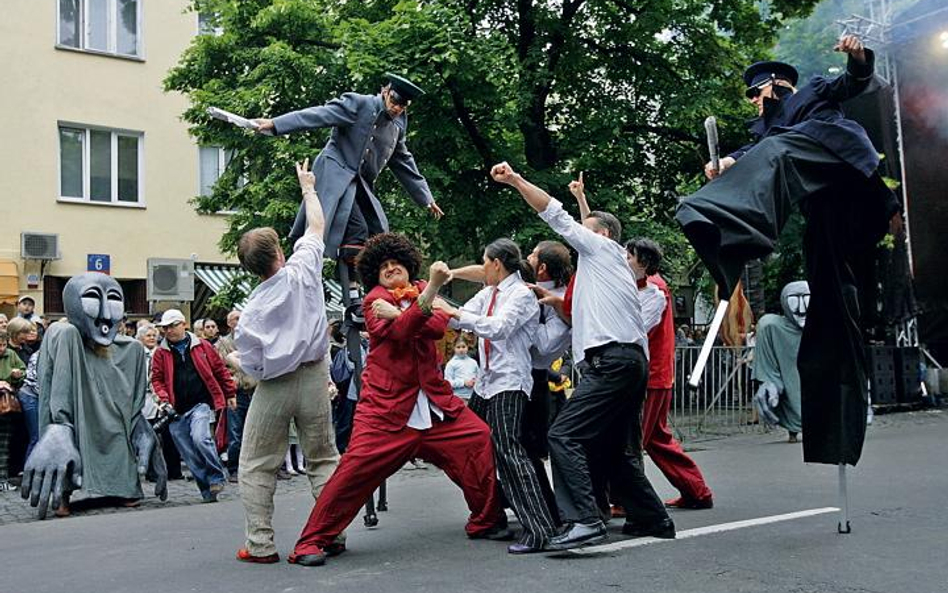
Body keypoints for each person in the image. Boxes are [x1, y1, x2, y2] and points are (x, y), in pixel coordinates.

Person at [675, 35, 901, 466]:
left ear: (776, 85)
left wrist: (856, 56)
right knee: (829, 308)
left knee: (776, 150)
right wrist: (724, 166)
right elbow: (750, 154)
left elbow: (852, 84)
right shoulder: (766, 132)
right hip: (828, 214)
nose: (754, 103)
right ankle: (835, 428)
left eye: (756, 94)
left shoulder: (812, 92)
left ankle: (735, 225)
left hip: (848, 175)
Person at [290, 233, 505, 567]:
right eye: (384, 267)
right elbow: (403, 332)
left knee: (478, 439)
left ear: (408, 266)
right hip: (386, 410)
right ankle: (313, 540)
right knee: (354, 471)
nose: (391, 269)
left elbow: (436, 327)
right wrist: (413, 304)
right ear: (375, 275)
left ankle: (486, 518)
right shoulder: (373, 301)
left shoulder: (421, 289)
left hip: (435, 406)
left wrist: (407, 308)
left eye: (396, 264)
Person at [489, 161, 674, 550]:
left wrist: (517, 179)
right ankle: (654, 519)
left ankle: (585, 520)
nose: (576, 235)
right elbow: (585, 225)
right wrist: (582, 199)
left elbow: (555, 216)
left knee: (564, 433)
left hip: (611, 363)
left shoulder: (602, 249)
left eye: (584, 229)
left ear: (602, 236)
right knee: (611, 448)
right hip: (625, 363)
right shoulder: (605, 268)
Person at [230, 160, 343, 564]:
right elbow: (316, 226)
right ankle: (331, 534)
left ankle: (260, 544)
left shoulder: (253, 309)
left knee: (257, 464)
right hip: (315, 376)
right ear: (279, 251)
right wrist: (307, 187)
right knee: (324, 458)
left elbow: (254, 365)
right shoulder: (304, 268)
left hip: (275, 385)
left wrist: (237, 362)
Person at [436, 238, 558, 554]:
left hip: (509, 382)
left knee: (509, 451)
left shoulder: (520, 295)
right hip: (486, 383)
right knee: (466, 441)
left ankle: (540, 529)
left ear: (496, 264)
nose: (482, 268)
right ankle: (495, 507)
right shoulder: (489, 292)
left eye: (484, 262)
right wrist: (427, 299)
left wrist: (454, 313)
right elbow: (459, 315)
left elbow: (498, 328)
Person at [253, 74, 444, 275]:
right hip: (336, 174)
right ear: (385, 92)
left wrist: (426, 197)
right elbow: (318, 115)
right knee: (355, 230)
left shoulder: (397, 126)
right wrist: (275, 124)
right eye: (395, 101)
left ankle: (357, 290)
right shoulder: (359, 104)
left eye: (403, 106)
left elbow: (403, 161)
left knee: (378, 233)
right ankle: (346, 291)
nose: (397, 108)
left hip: (359, 184)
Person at [21, 274, 167, 519]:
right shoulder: (63, 334)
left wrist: (139, 424)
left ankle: (123, 485)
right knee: (65, 333)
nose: (104, 313)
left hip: (114, 423)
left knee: (120, 431)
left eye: (113, 299)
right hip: (74, 418)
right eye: (91, 298)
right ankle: (64, 488)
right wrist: (58, 425)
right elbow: (59, 339)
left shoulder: (130, 350)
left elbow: (132, 400)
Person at [627, 238, 714, 510]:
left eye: (629, 257)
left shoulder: (653, 289)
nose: (624, 261)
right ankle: (696, 490)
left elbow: (634, 329)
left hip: (651, 374)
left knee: (634, 439)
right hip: (655, 372)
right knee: (655, 438)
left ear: (643, 262)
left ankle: (625, 498)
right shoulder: (651, 285)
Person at [152, 309, 235, 503]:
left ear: (183, 325)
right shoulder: (160, 353)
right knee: (189, 454)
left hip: (200, 404)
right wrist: (164, 399)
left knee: (201, 438)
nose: (169, 330)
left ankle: (216, 476)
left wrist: (229, 393)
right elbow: (156, 379)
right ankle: (206, 490)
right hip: (175, 410)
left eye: (173, 326)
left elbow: (220, 370)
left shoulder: (203, 346)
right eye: (165, 327)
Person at [753, 281, 810, 443]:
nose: (801, 308)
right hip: (789, 385)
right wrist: (768, 382)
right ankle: (793, 430)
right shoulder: (771, 326)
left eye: (806, 299)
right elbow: (768, 367)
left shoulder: (825, 326)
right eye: (794, 300)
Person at [216, 310, 256, 482]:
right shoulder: (223, 343)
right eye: (236, 319)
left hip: (254, 390)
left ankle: (252, 467)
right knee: (235, 433)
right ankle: (233, 468)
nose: (240, 321)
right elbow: (220, 365)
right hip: (236, 392)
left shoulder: (252, 339)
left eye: (242, 318)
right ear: (229, 322)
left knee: (254, 432)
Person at [0, 331, 26, 491]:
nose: (1, 348)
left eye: (3, 345)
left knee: (4, 445)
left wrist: (16, 375)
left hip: (6, 406)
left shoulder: (11, 354)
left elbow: (23, 371)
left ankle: (2, 479)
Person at [442, 336, 478, 401]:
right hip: (458, 397)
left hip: (473, 398)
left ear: (467, 346)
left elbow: (479, 377)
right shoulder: (451, 364)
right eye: (458, 347)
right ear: (454, 348)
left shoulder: (473, 362)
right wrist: (463, 383)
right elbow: (447, 382)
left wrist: (476, 381)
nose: (461, 350)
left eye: (463, 347)